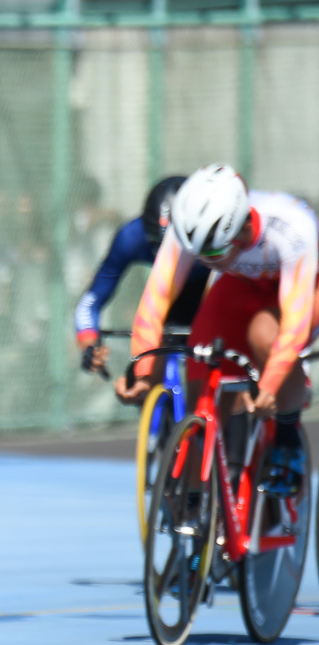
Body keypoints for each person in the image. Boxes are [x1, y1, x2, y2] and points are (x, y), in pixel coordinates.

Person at [115, 163, 319, 495]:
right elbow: (156, 299)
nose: (203, 262)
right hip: (241, 285)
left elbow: (294, 322)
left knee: (264, 334)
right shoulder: (189, 233)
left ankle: (287, 435)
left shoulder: (292, 228)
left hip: (301, 289)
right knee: (203, 363)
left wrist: (271, 385)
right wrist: (141, 370)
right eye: (197, 255)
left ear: (239, 231)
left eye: (212, 254)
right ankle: (204, 509)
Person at [74, 175, 210, 374]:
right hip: (165, 299)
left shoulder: (212, 236)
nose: (166, 254)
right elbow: (90, 302)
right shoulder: (131, 237)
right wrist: (88, 345)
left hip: (206, 290)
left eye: (176, 245)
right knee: (146, 375)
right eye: (157, 245)